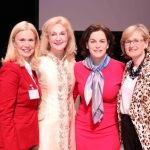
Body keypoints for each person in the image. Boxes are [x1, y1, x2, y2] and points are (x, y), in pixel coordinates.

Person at [73, 24, 125, 150]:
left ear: (108, 45)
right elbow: (70, 98)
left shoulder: (121, 68)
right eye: (93, 41)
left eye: (102, 41)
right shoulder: (77, 67)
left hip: (110, 132)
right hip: (82, 131)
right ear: (86, 44)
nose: (97, 46)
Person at [33, 16, 77, 150]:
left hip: (69, 125)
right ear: (48, 38)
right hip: (46, 125)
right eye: (53, 34)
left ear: (68, 37)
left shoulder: (73, 64)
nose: (58, 38)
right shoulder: (38, 63)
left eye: (62, 33)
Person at [0, 21, 41, 150]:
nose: (27, 45)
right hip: (14, 142)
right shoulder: (10, 69)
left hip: (28, 140)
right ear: (14, 43)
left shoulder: (31, 69)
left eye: (31, 40)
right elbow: (4, 114)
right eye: (22, 40)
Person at [117, 24, 150, 150]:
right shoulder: (128, 66)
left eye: (136, 40)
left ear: (146, 43)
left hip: (145, 128)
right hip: (127, 124)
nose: (132, 45)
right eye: (128, 41)